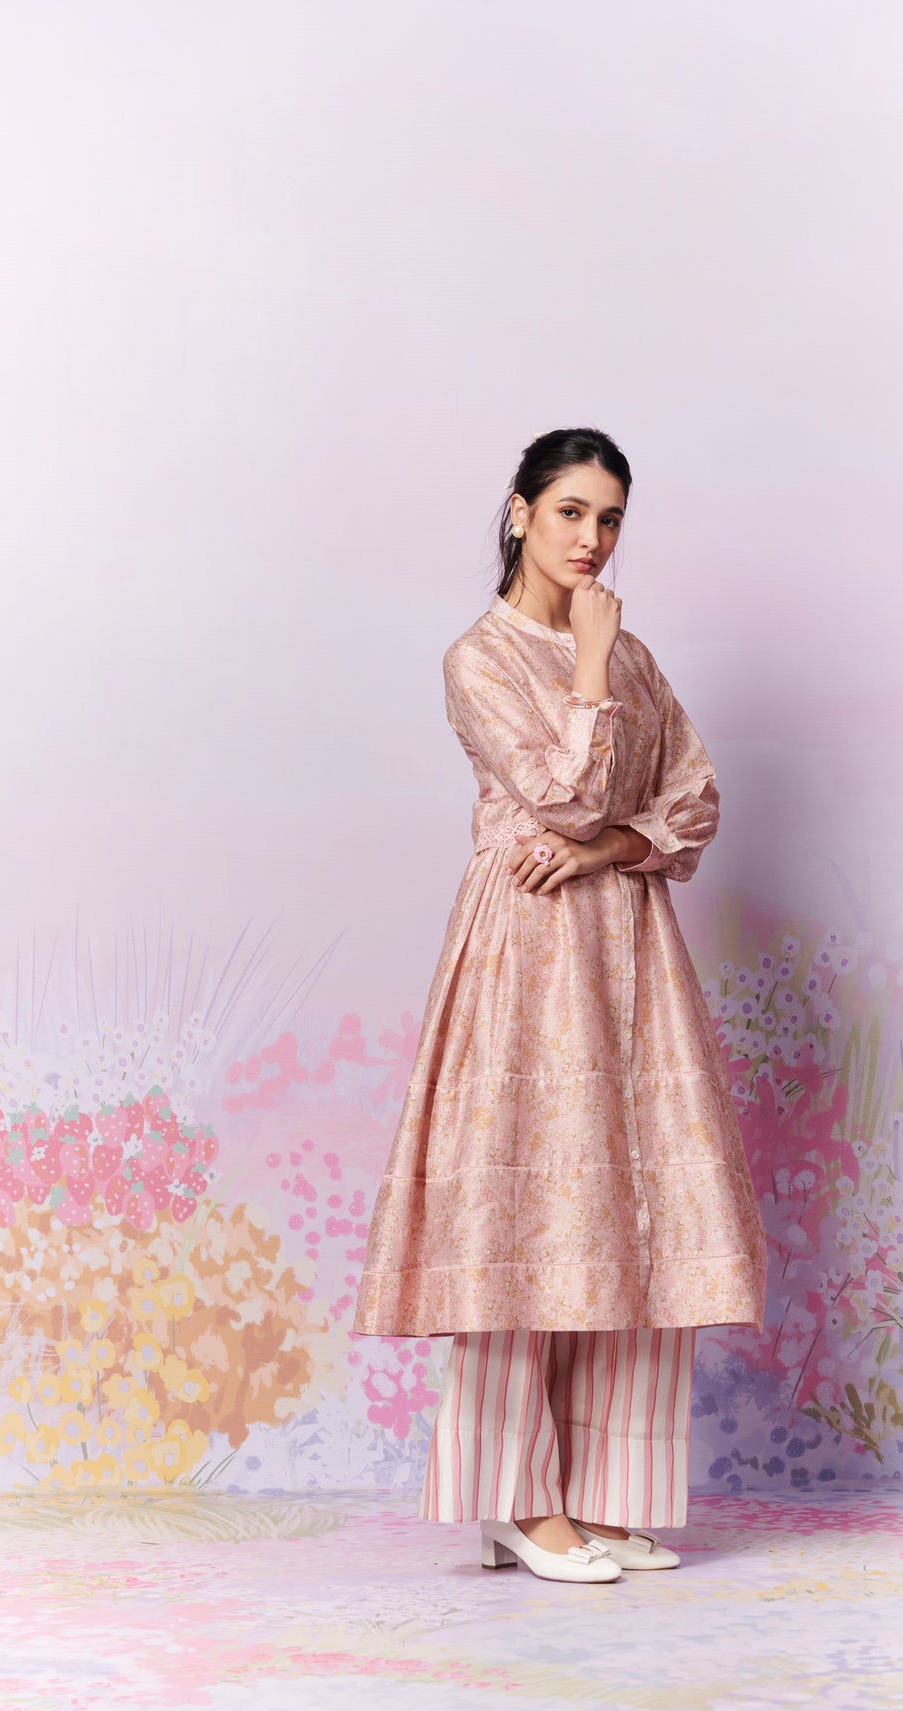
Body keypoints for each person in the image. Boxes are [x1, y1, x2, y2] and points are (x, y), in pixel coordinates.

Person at [352, 427, 766, 1584]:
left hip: (627, 941)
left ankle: (598, 1494)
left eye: (611, 518)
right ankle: (519, 1501)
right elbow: (561, 795)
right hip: (527, 951)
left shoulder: (634, 656)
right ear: (520, 511)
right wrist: (589, 664)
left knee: (630, 1209)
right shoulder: (478, 658)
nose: (593, 539)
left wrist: (608, 851)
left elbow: (693, 796)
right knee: (527, 1213)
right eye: (572, 511)